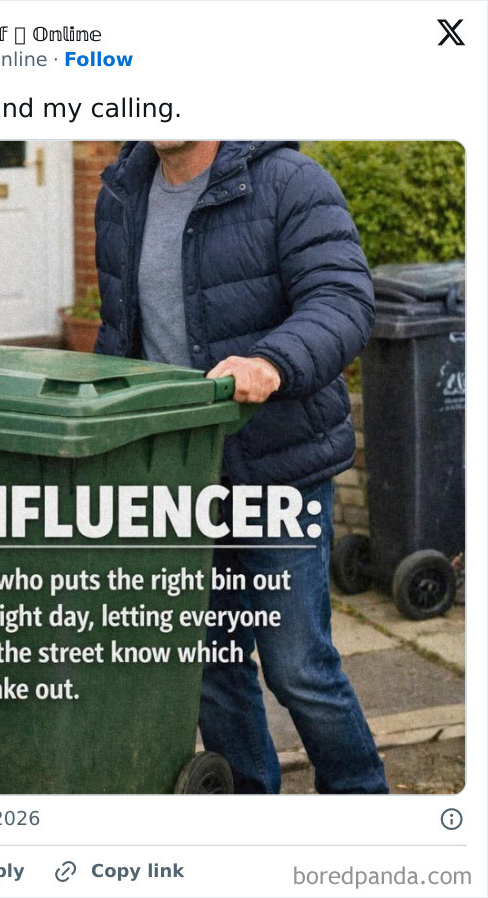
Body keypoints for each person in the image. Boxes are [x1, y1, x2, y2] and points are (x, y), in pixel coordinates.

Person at [93, 140, 389, 794]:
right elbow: (121, 335)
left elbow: (342, 299)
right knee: (211, 663)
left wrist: (271, 363)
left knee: (297, 666)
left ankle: (362, 800)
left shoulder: (289, 182)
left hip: (276, 465)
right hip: (177, 475)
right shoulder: (121, 193)